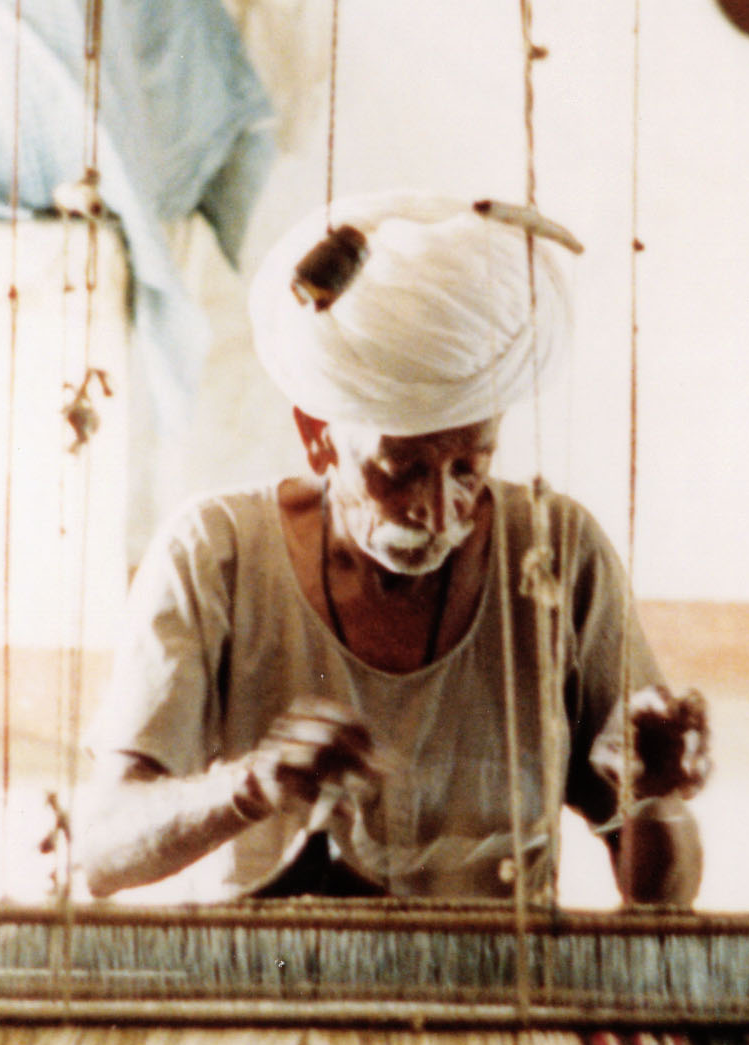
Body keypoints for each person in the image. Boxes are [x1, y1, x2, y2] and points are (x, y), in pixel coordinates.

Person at [81, 191, 712, 904]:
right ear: (318, 434)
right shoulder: (213, 554)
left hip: (496, 993)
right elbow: (100, 851)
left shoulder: (555, 553)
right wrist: (250, 783)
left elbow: (663, 904)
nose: (437, 508)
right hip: (281, 985)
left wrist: (656, 800)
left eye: (468, 466)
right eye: (399, 468)